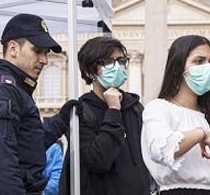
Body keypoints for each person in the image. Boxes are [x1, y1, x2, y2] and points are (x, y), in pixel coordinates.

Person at [0, 13, 79, 195]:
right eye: (37, 51)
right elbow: (3, 161)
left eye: (46, 53)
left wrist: (60, 120)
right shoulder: (2, 91)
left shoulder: (16, 89)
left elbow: (28, 145)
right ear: (13, 48)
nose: (44, 60)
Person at [141, 35, 210, 194]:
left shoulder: (207, 115)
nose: (207, 68)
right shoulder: (159, 108)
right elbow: (161, 149)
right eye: (199, 61)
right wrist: (201, 133)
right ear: (178, 67)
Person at [60, 36, 152, 195]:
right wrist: (113, 111)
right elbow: (98, 160)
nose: (117, 67)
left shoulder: (135, 107)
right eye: (108, 62)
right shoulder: (78, 112)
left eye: (121, 61)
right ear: (89, 72)